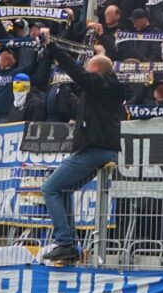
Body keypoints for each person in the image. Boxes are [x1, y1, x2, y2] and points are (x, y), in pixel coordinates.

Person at [35, 28, 127, 264]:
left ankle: (65, 243)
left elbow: (76, 71)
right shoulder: (108, 89)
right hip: (102, 149)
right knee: (63, 190)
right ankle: (68, 245)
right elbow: (83, 91)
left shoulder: (98, 85)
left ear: (96, 71)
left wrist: (51, 46)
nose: (85, 68)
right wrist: (101, 53)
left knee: (50, 189)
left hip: (93, 150)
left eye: (89, 66)